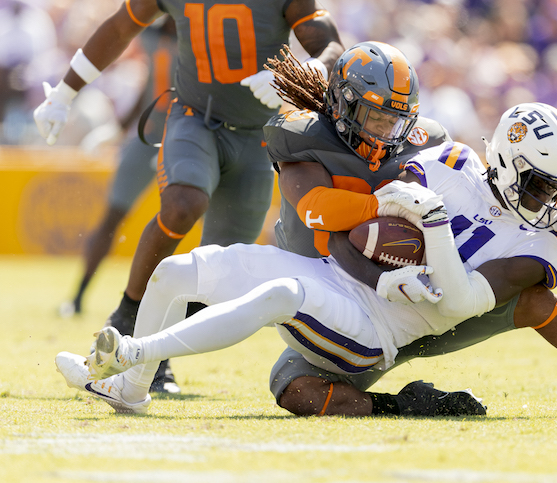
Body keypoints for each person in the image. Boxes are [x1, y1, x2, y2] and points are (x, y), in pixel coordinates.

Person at [55, 102, 557, 418]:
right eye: (542, 184)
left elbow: (458, 302)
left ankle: (131, 354)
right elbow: (360, 232)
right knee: (182, 270)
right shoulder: (451, 161)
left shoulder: (546, 242)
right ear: (507, 162)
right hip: (347, 283)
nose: (551, 200)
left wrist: (429, 230)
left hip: (379, 330)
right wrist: (380, 266)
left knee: (278, 293)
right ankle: (131, 390)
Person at [34, 0, 344, 392]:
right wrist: (63, 93)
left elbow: (329, 44)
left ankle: (154, 354)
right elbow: (119, 29)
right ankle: (127, 314)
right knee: (183, 202)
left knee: (218, 271)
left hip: (255, 137)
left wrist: (307, 70)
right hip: (193, 117)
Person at [59, 17, 177, 319]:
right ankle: (78, 295)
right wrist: (120, 127)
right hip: (149, 134)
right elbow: (152, 89)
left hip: (188, 135)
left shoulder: (201, 29)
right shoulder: (151, 33)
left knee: (183, 216)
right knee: (113, 215)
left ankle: (179, 309)